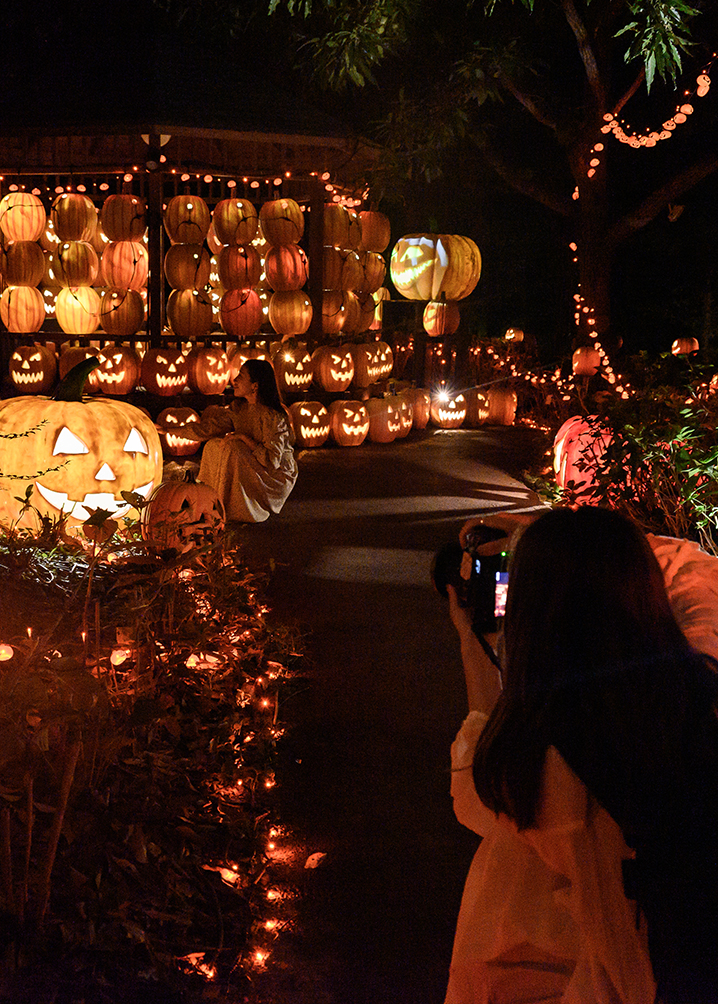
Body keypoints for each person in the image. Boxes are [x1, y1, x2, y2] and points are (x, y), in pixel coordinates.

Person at [445, 507, 718, 1004]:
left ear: (531, 621)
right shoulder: (699, 695)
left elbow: (475, 777)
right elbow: (696, 569)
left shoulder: (537, 769)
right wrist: (565, 540)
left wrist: (470, 639)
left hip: (623, 981)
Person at [170, 358, 297, 523]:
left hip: (275, 474)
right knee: (214, 445)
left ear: (255, 386)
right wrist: (170, 431)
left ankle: (227, 508)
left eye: (241, 376)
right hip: (255, 462)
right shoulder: (239, 409)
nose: (234, 380)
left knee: (233, 448)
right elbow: (208, 429)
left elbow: (272, 460)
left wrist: (243, 438)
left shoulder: (272, 416)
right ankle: (209, 501)